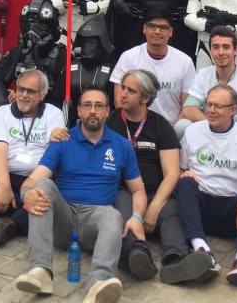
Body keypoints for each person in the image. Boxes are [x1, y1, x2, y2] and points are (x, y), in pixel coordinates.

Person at [15, 87, 146, 303]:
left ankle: (99, 283)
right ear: (78, 110)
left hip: (97, 220)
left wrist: (137, 217)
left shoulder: (122, 146)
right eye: (87, 105)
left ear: (107, 111)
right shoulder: (62, 141)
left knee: (114, 215)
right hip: (64, 219)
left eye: (99, 106)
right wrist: (26, 194)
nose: (92, 110)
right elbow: (32, 181)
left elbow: (138, 189)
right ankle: (40, 271)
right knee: (41, 185)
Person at [106, 69, 199, 284]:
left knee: (172, 212)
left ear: (145, 98)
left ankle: (177, 260)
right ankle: (137, 253)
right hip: (122, 189)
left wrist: (155, 206)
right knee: (122, 214)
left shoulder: (161, 126)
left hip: (154, 191)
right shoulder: (110, 121)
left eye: (131, 91)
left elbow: (172, 173)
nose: (123, 94)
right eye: (123, 88)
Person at [176, 84, 237, 286]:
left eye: (219, 106)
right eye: (209, 104)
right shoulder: (192, 131)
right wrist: (184, 173)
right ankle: (202, 252)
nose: (211, 110)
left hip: (233, 212)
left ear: (233, 110)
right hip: (200, 209)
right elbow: (180, 168)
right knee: (184, 184)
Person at [0, 68, 64, 246]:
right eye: (20, 89)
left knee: (54, 193)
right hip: (6, 176)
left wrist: (29, 188)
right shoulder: (1, 113)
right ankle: (28, 212)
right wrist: (4, 187)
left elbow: (52, 154)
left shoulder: (54, 114)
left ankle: (13, 222)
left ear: (42, 95)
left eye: (31, 91)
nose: (23, 95)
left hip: (39, 179)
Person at [110, 5, 196, 125]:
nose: (157, 31)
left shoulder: (185, 62)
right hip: (133, 126)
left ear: (171, 32)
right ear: (144, 29)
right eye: (152, 26)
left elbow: (187, 107)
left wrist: (171, 132)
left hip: (171, 128)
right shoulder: (129, 57)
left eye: (163, 28)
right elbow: (119, 100)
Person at [179, 26, 237, 134]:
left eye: (226, 47)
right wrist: (213, 125)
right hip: (207, 130)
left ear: (236, 50)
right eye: (216, 47)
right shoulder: (203, 74)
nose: (220, 52)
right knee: (181, 126)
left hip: (234, 135)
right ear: (210, 50)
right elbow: (188, 109)